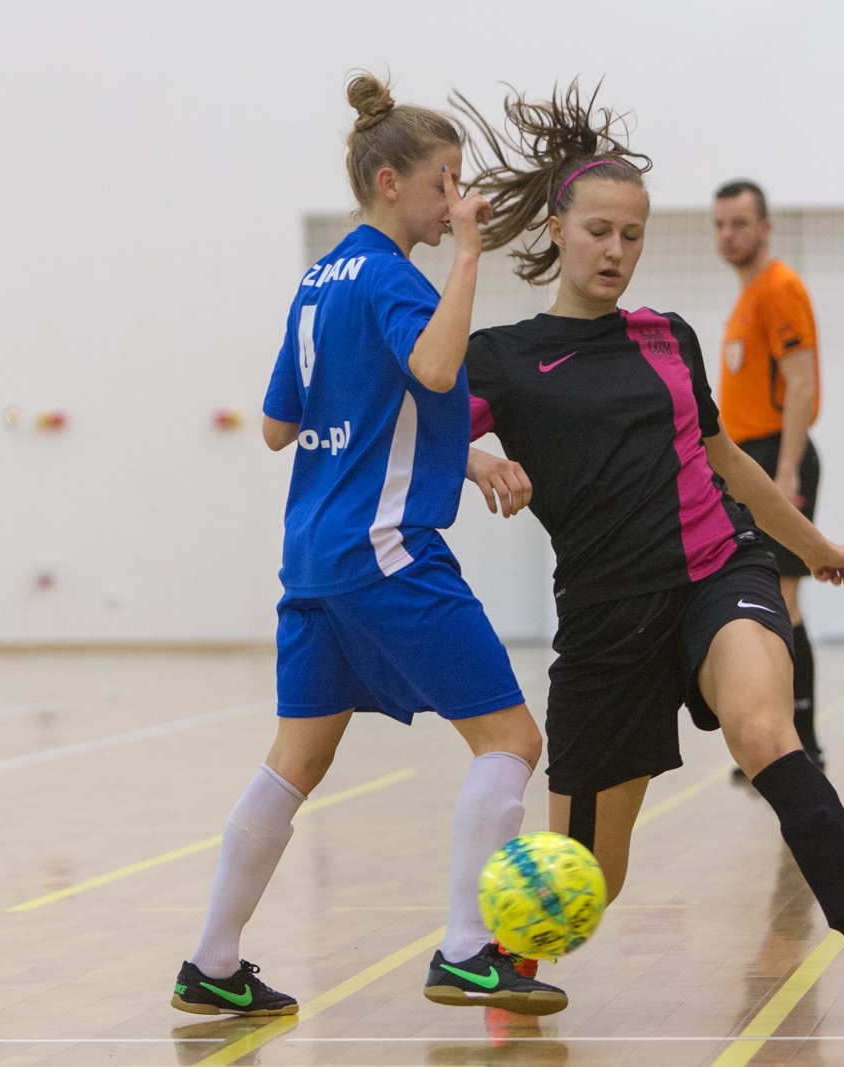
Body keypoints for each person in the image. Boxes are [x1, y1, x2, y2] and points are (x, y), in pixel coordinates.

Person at [453, 84, 844, 1030]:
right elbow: (417, 441)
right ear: (557, 229)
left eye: (632, 236)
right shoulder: (501, 357)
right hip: (605, 621)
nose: (615, 251)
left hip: (718, 571)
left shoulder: (668, 336)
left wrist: (814, 547)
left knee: (765, 732)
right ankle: (515, 954)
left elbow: (726, 461)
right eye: (598, 232)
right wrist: (479, 459)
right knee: (588, 879)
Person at [168, 73, 567, 1020]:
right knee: (512, 739)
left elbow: (280, 426)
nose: (455, 198)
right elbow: (434, 364)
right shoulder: (395, 275)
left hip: (313, 559)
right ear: (390, 182)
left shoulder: (319, 279)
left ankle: (211, 961)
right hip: (385, 551)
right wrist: (467, 254)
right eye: (443, 181)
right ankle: (467, 949)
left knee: (295, 761)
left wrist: (460, 455)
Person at [712, 179, 825, 771]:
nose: (728, 234)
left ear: (765, 227)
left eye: (739, 223)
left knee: (783, 599)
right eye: (720, 224)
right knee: (759, 600)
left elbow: (801, 383)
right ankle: (776, 741)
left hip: (776, 457)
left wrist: (785, 472)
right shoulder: (748, 296)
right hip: (748, 459)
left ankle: (801, 742)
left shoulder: (779, 287)